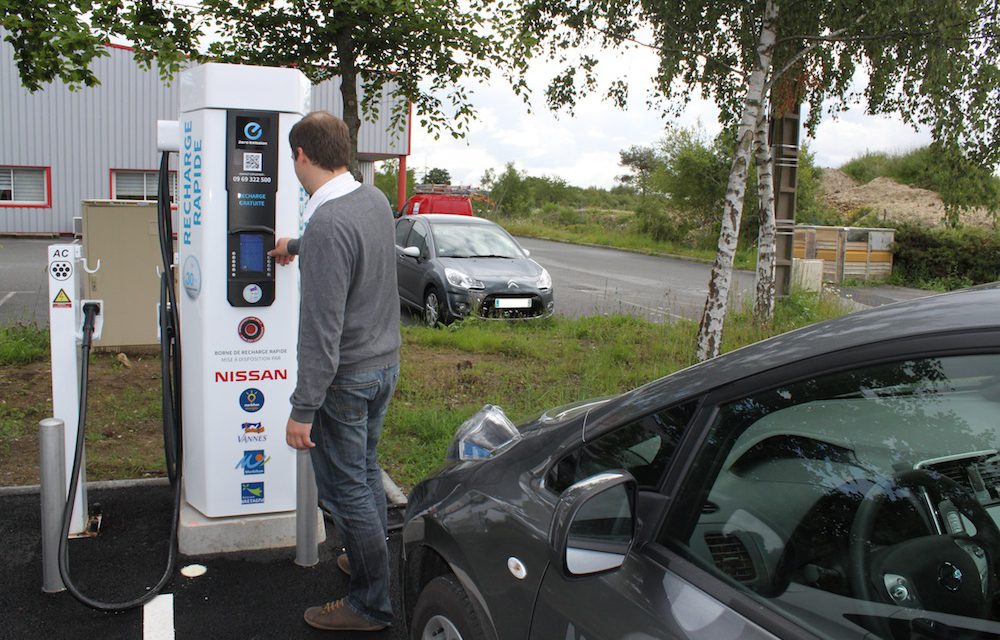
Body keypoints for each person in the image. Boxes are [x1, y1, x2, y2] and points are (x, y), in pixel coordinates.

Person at [269, 111, 401, 632]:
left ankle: (370, 603)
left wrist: (302, 409)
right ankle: (371, 561)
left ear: (301, 155)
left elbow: (320, 332)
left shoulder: (326, 222)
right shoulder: (371, 198)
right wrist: (297, 246)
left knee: (345, 488)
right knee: (364, 474)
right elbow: (356, 250)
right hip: (382, 365)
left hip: (344, 380)